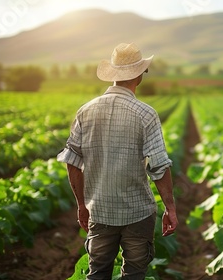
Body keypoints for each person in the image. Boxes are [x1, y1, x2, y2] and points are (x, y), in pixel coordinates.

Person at [57, 42, 178, 279]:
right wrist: (170, 208)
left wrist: (82, 204)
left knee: (98, 273)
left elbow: (72, 160)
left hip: (99, 211)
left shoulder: (85, 111)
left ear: (113, 74)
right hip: (138, 213)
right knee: (134, 274)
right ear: (140, 75)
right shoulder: (146, 113)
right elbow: (159, 166)